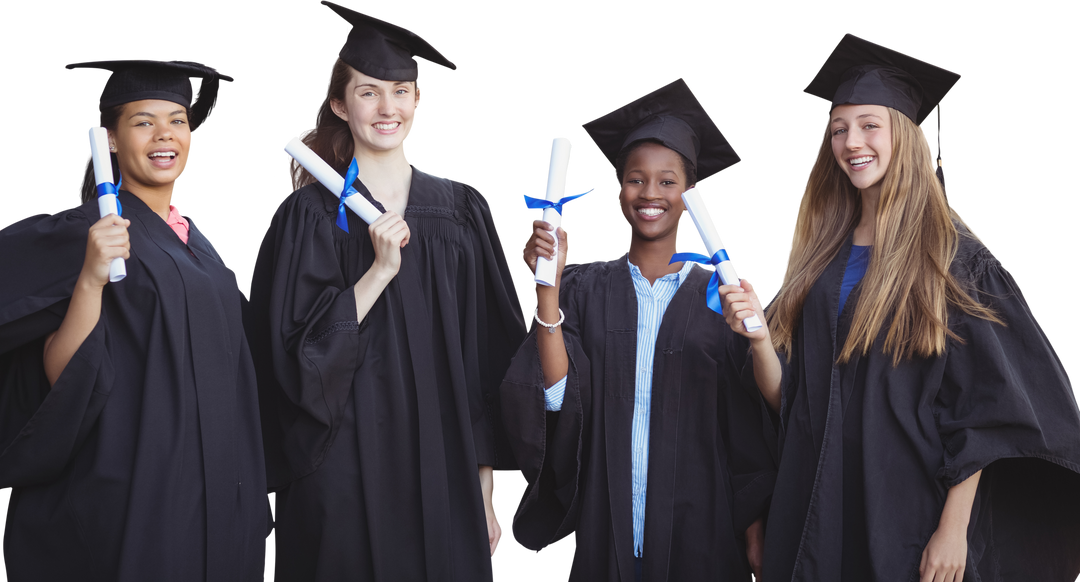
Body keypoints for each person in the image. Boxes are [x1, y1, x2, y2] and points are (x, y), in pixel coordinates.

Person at [719, 32, 1080, 582]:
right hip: (815, 506)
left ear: (906, 137)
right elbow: (788, 403)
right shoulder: (818, 261)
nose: (850, 141)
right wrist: (759, 340)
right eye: (838, 128)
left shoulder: (953, 260)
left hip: (906, 512)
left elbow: (986, 411)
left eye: (869, 125)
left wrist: (953, 529)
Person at [244, 2, 527, 580]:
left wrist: (484, 486)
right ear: (342, 104)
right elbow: (286, 355)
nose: (387, 107)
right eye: (369, 92)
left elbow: (485, 359)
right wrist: (376, 272)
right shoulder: (305, 217)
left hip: (442, 464)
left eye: (400, 91)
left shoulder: (462, 210)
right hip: (338, 469)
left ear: (419, 101)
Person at [0, 58, 267, 580]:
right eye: (144, 121)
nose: (164, 135)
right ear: (111, 140)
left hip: (217, 499)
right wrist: (90, 278)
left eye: (178, 120)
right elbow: (60, 377)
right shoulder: (83, 232)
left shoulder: (202, 244)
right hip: (133, 498)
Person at [502, 76, 777, 581]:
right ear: (617, 193)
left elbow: (750, 422)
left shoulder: (726, 297)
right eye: (635, 178)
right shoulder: (583, 287)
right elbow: (560, 397)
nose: (650, 193)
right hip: (608, 527)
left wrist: (755, 527)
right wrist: (549, 286)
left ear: (690, 195)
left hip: (705, 529)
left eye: (668, 181)